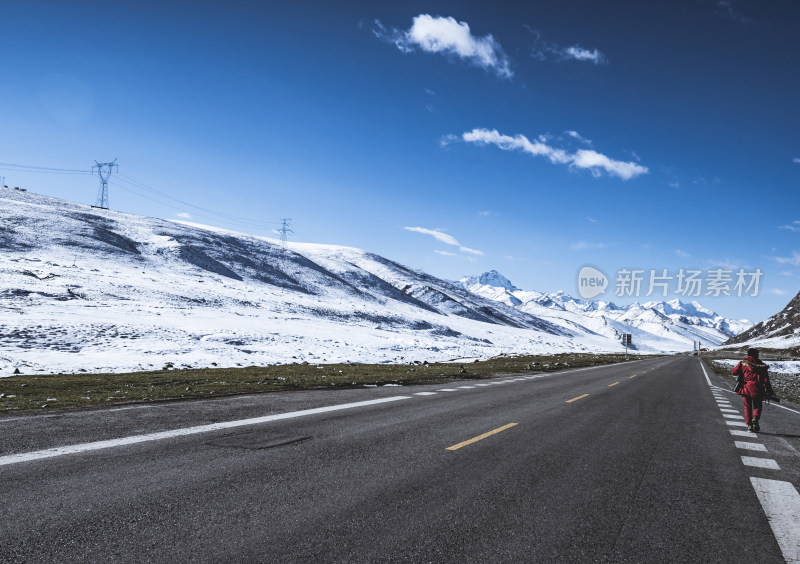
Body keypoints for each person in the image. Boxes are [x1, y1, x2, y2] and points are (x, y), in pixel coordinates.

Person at [731, 348, 773, 432]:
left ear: (748, 354)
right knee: (758, 406)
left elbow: (733, 372)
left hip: (745, 387)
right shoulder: (762, 365)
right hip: (758, 388)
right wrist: (769, 390)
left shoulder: (742, 363)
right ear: (756, 355)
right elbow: (766, 380)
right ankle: (755, 418)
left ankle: (749, 426)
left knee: (747, 407)